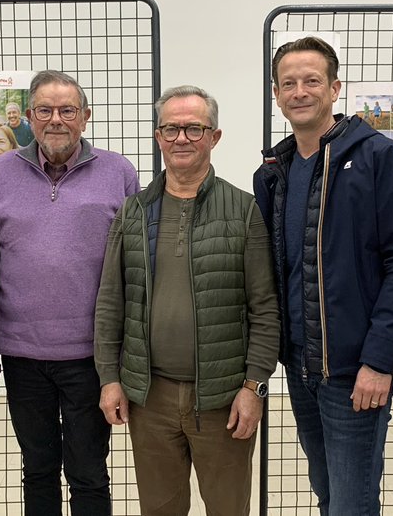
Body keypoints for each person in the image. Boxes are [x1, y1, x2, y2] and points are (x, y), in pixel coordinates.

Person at [254, 36, 393, 515]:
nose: (300, 92)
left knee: (353, 502)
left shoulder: (379, 158)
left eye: (312, 81)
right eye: (288, 83)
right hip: (300, 366)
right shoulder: (273, 174)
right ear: (276, 94)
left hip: (355, 371)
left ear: (334, 88)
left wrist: (379, 361)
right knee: (328, 492)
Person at [95, 85, 279, 515]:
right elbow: (111, 302)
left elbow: (265, 308)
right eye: (171, 129)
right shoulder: (133, 212)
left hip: (223, 398)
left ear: (214, 136)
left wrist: (254, 387)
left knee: (228, 508)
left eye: (194, 129)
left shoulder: (243, 210)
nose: (182, 138)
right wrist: (109, 377)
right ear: (158, 136)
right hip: (150, 399)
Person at [0, 70, 139, 516]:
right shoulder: (1, 173)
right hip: (22, 354)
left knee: (89, 472)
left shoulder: (118, 172)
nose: (56, 120)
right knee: (38, 469)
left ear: (85, 117)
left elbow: (136, 262)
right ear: (29, 117)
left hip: (91, 355)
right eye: (45, 110)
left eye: (67, 110)